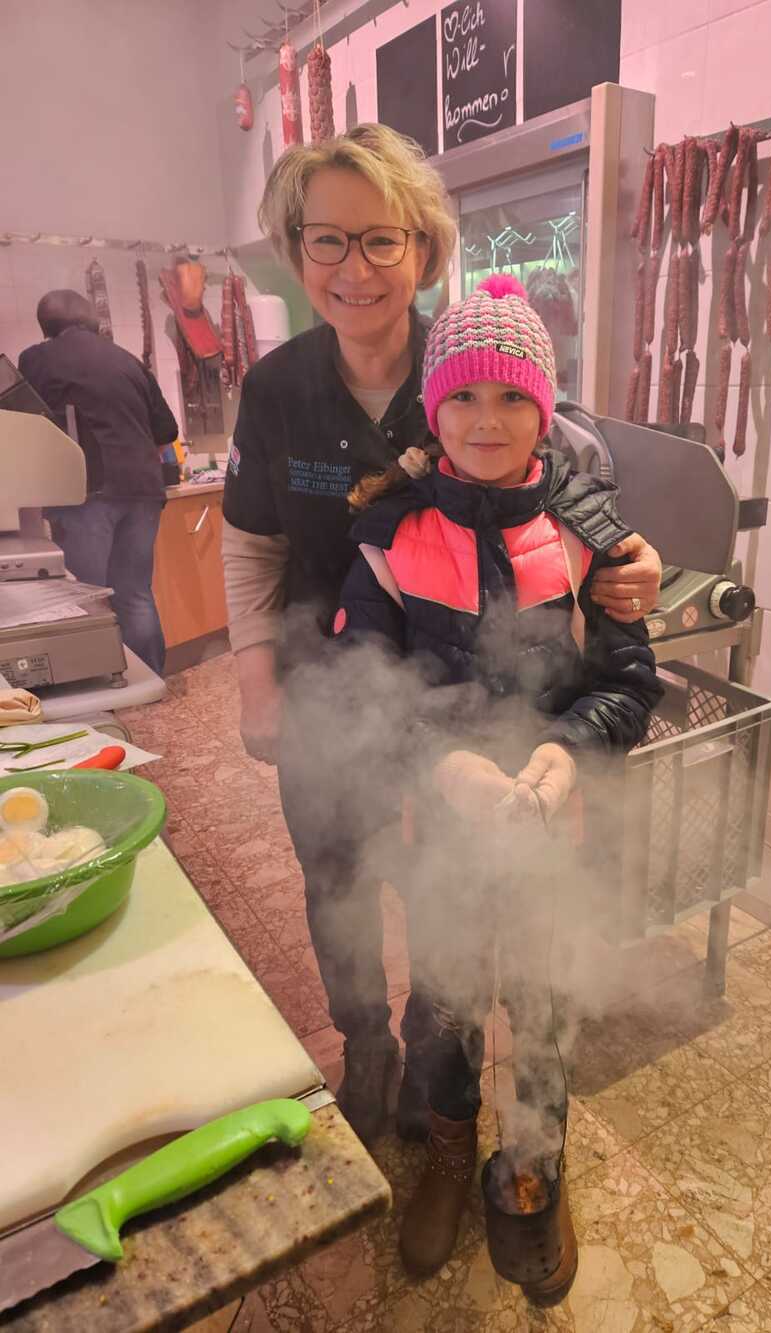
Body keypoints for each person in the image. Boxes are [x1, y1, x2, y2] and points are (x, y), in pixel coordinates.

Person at [221, 124, 663, 1147]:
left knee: (441, 890)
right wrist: (256, 682)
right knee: (336, 876)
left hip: (447, 694)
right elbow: (250, 546)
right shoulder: (278, 389)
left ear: (422, 247)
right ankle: (363, 1043)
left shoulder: (471, 352)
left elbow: (571, 476)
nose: (355, 267)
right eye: (327, 240)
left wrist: (634, 557)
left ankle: (436, 1058)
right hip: (324, 685)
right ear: (295, 250)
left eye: (382, 239)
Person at [335, 274, 662, 1304]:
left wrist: (566, 751)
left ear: (545, 409)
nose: (489, 419)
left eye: (514, 397)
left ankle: (534, 1167)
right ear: (434, 412)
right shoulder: (388, 538)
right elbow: (359, 698)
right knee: (444, 1001)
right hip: (439, 834)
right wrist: (440, 763)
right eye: (466, 397)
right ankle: (446, 1149)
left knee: (545, 1001)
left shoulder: (590, 539)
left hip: (554, 831)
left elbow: (628, 683)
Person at [18, 290, 177, 675]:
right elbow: (166, 431)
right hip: (143, 492)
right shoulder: (126, 360)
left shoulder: (37, 359)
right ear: (91, 319)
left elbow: (22, 422)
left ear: (46, 326)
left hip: (86, 494)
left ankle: (105, 681)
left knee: (88, 596)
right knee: (136, 594)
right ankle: (150, 678)